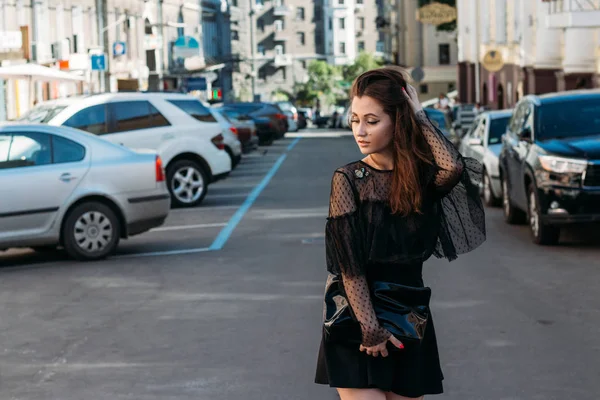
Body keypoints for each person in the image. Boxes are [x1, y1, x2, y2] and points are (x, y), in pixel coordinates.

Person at [315, 67, 486, 399]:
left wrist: (418, 112)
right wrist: (370, 329)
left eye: (372, 120)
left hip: (409, 312)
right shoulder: (349, 178)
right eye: (355, 120)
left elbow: (453, 167)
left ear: (397, 121)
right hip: (355, 314)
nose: (360, 131)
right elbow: (349, 265)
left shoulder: (420, 179)